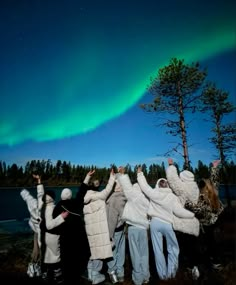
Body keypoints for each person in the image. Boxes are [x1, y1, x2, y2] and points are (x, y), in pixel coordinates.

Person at [137, 167, 196, 281]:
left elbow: (144, 187)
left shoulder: (154, 193)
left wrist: (140, 174)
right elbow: (179, 211)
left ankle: (162, 276)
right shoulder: (172, 197)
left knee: (158, 250)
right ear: (167, 185)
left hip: (154, 223)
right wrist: (190, 215)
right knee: (173, 248)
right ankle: (172, 275)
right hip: (168, 224)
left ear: (158, 185)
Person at [184, 160, 225, 269]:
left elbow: (197, 209)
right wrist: (214, 167)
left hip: (206, 225)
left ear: (202, 187)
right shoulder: (214, 192)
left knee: (202, 244)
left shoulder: (203, 199)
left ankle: (197, 264)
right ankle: (215, 262)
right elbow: (215, 181)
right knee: (213, 243)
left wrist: (186, 202)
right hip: (215, 221)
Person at [165, 158, 201, 279]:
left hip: (183, 223)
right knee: (193, 246)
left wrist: (171, 165)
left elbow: (173, 180)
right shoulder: (195, 188)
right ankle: (194, 268)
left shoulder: (183, 189)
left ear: (184, 179)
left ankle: (182, 271)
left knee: (181, 247)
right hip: (193, 223)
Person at [117, 167, 150, 285]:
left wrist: (122, 174)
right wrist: (140, 173)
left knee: (135, 254)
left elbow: (126, 185)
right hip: (143, 229)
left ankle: (137, 279)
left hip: (132, 228)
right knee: (144, 253)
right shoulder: (146, 199)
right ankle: (146, 276)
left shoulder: (132, 196)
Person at [83, 168, 116, 285]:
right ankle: (96, 275)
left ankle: (91, 272)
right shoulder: (100, 196)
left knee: (92, 249)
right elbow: (108, 189)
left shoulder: (83, 198)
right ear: (96, 187)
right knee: (101, 251)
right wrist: (112, 176)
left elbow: (82, 188)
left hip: (89, 230)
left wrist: (87, 177)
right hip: (100, 230)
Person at [53, 188, 91, 285]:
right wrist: (87, 178)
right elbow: (81, 193)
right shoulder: (76, 203)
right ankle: (78, 275)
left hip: (65, 237)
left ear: (61, 196)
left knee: (66, 258)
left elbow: (53, 222)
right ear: (70, 196)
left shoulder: (58, 206)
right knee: (78, 256)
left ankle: (67, 277)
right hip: (78, 236)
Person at [40, 189, 69, 284]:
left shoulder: (43, 206)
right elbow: (49, 225)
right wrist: (61, 217)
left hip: (45, 236)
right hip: (52, 236)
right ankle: (58, 278)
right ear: (52, 198)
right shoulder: (51, 208)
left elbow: (39, 194)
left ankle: (46, 275)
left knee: (48, 256)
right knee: (56, 258)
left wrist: (39, 184)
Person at [20, 174, 44, 277]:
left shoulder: (31, 203)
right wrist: (39, 181)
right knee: (42, 250)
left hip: (35, 230)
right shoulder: (42, 208)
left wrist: (23, 188)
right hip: (41, 232)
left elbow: (26, 196)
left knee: (35, 250)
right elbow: (40, 194)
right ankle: (40, 268)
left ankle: (32, 267)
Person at [106, 169, 127, 283]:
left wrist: (109, 235)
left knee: (113, 251)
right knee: (120, 251)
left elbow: (111, 219)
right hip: (120, 228)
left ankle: (113, 273)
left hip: (113, 229)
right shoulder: (123, 197)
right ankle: (120, 273)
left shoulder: (112, 198)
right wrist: (122, 174)